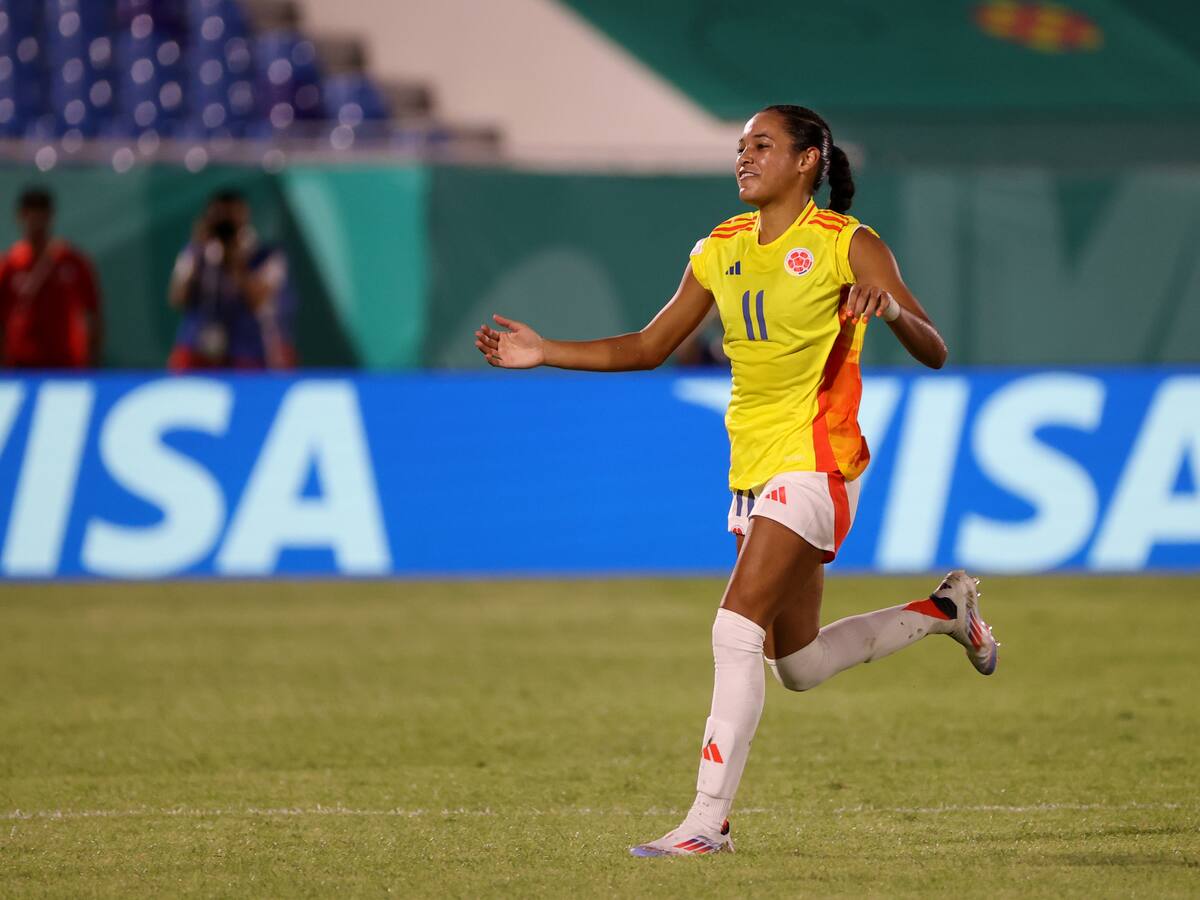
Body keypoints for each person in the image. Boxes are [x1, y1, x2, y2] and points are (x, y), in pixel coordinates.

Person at [474, 105, 999, 857]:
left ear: (808, 160)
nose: (745, 157)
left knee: (733, 627)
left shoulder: (849, 245)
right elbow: (649, 346)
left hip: (818, 464)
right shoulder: (719, 247)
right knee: (800, 664)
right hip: (754, 473)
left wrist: (888, 312)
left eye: (763, 144)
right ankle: (947, 609)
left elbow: (935, 347)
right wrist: (544, 350)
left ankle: (706, 821)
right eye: (740, 146)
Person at [168, 189, 295, 371]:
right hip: (198, 346)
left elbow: (257, 301)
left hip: (248, 350)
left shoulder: (267, 255)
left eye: (230, 217)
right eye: (219, 217)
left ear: (245, 216)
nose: (225, 224)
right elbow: (177, 298)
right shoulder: (195, 252)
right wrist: (198, 248)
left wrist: (235, 261)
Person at [0, 187, 103, 369]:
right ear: (21, 217)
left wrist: (92, 360)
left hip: (66, 364)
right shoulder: (10, 265)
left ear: (50, 217)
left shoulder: (72, 261)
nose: (36, 223)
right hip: (20, 364)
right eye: (31, 216)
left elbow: (93, 313)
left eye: (42, 216)